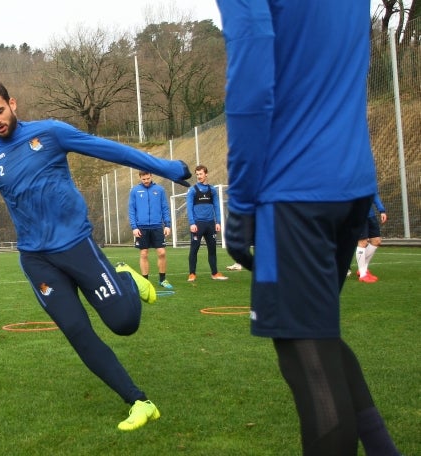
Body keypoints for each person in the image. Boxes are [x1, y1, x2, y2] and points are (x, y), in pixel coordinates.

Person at [0, 79, 192, 432]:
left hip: (76, 245)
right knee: (78, 332)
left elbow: (109, 150)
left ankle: (126, 279)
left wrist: (165, 167)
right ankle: (138, 401)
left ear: (12, 104)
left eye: (0, 110)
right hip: (37, 259)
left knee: (124, 323)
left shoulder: (51, 133)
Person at [217, 0, 400, 454]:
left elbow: (252, 73)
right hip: (351, 181)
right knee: (320, 337)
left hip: (292, 192)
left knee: (308, 363)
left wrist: (240, 201)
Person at [128, 171, 174, 289]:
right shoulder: (135, 191)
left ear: (151, 176)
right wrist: (134, 227)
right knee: (144, 253)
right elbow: (132, 210)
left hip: (157, 226)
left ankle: (162, 280)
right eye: (144, 179)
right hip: (141, 227)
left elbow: (165, 208)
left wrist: (167, 224)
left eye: (148, 178)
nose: (146, 181)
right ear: (140, 178)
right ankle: (145, 282)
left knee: (162, 252)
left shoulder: (159, 190)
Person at [185, 165, 228, 282]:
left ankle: (215, 273)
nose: (199, 176)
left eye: (201, 174)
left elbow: (216, 206)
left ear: (206, 174)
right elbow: (189, 208)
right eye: (197, 174)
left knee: (212, 249)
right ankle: (192, 273)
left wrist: (218, 222)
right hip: (197, 224)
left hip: (210, 224)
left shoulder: (212, 190)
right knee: (194, 249)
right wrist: (192, 223)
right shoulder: (192, 190)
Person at [355, 192, 387, 283]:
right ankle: (363, 274)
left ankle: (363, 269)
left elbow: (374, 195)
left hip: (370, 215)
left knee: (376, 241)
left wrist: (382, 210)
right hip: (358, 215)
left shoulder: (369, 181)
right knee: (362, 242)